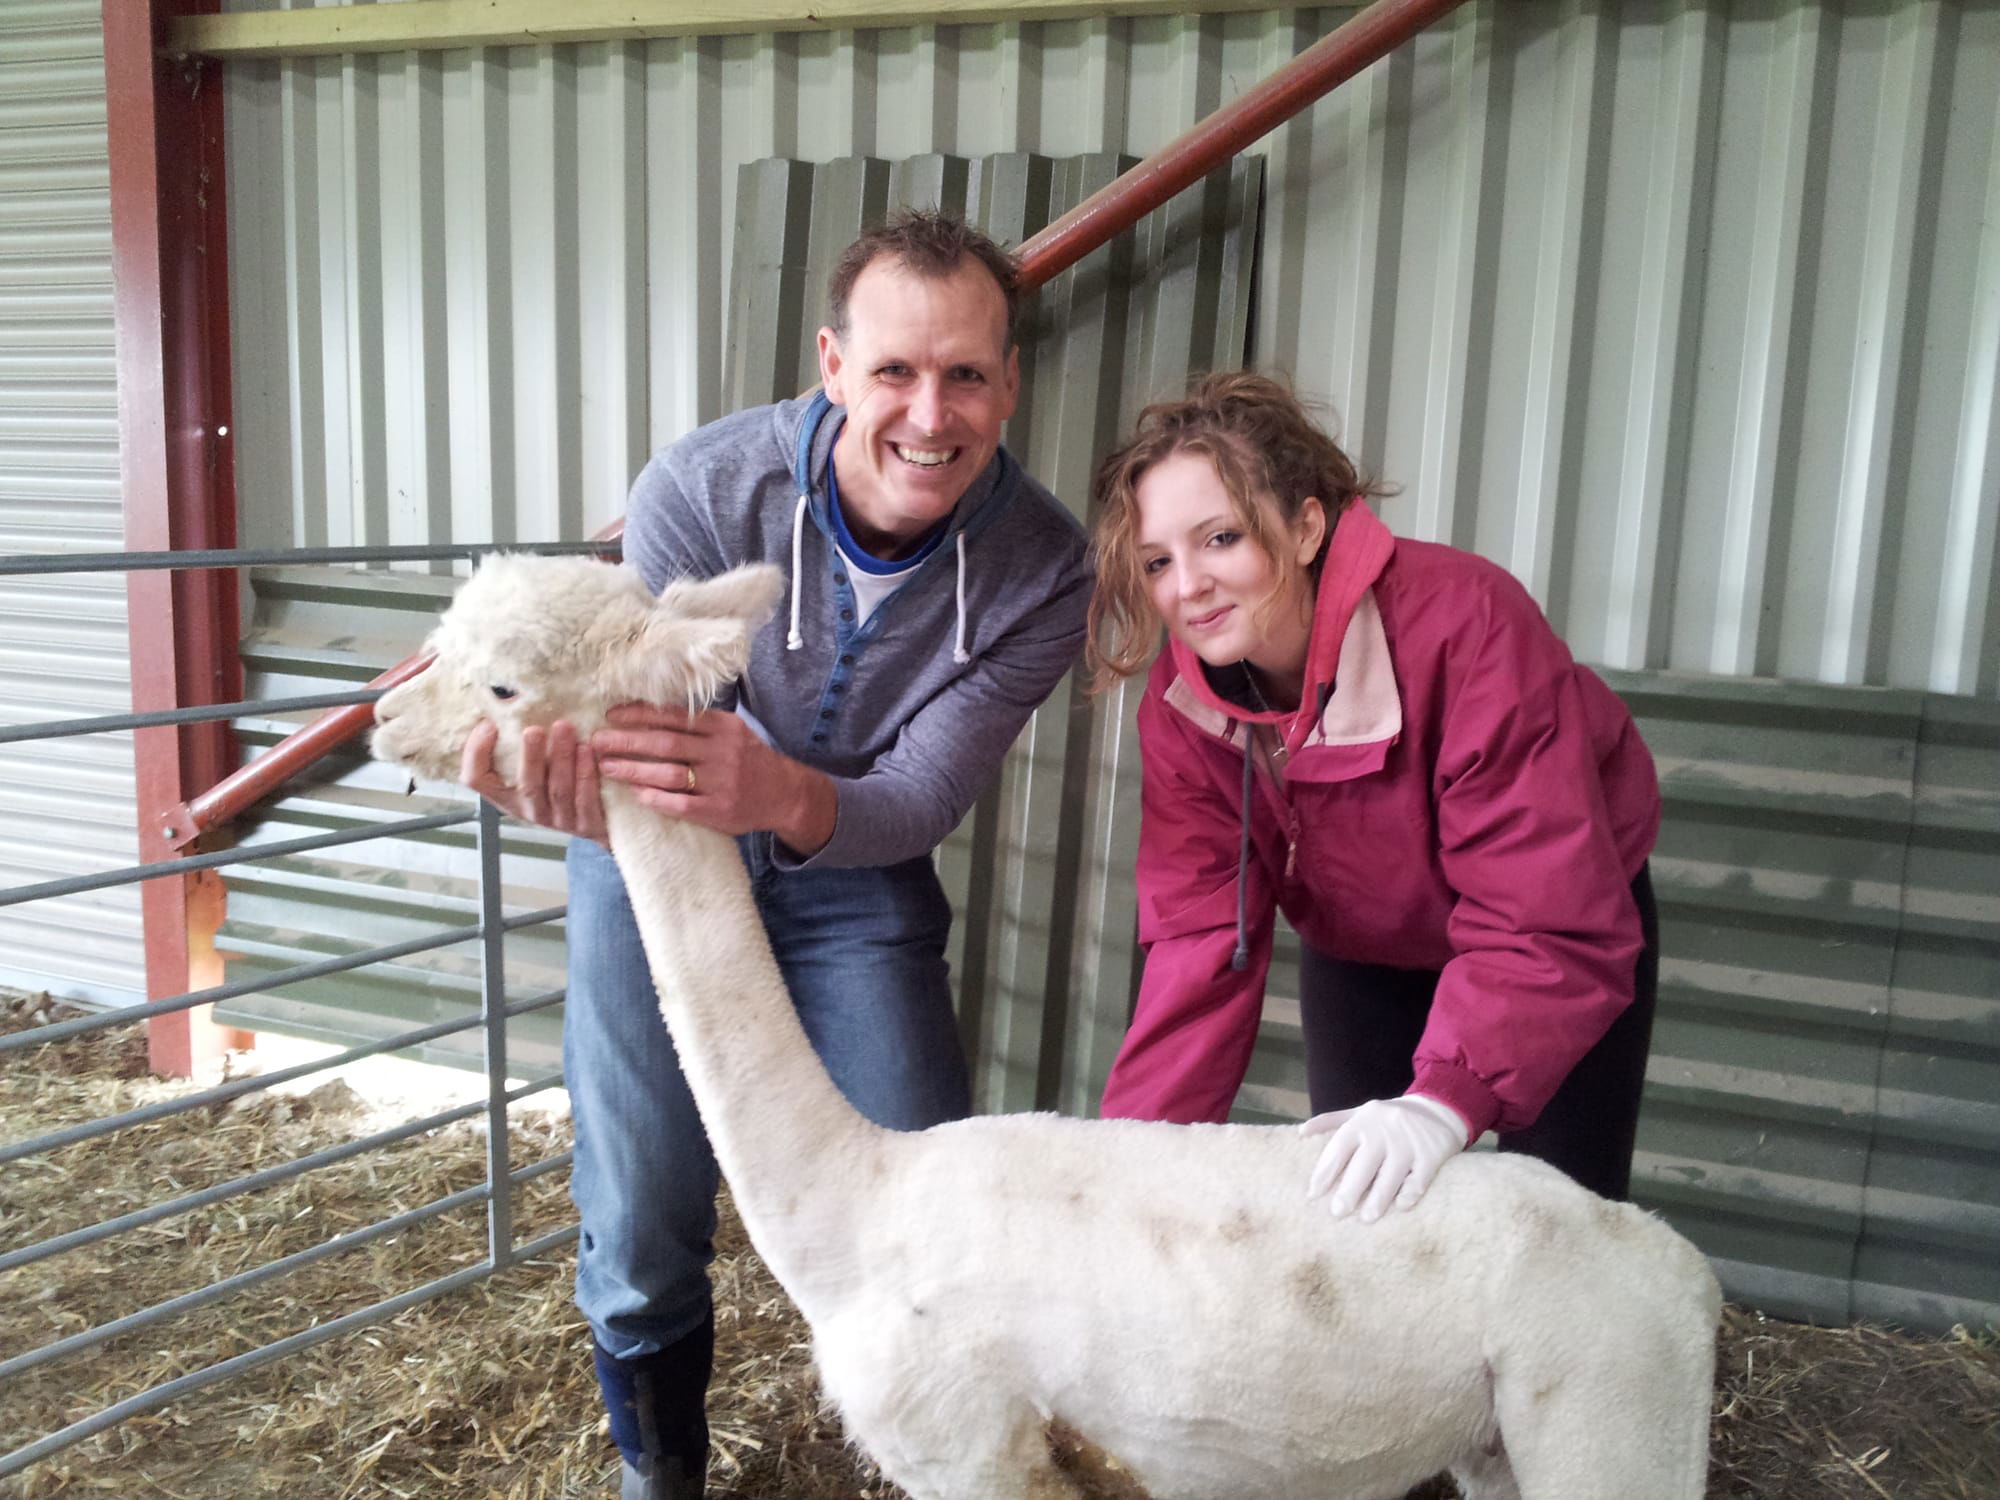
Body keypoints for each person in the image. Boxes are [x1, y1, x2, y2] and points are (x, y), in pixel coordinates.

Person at [461, 211, 1091, 1499]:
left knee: (923, 1189)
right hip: (666, 861)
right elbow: (640, 726)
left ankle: (938, 1461)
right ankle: (662, 1474)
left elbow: (918, 795)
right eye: (895, 372)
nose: (930, 412)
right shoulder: (700, 488)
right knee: (640, 1205)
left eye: (967, 373)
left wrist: (785, 790)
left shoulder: (1043, 568)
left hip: (852, 870)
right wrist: (564, 788)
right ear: (832, 364)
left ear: (1009, 383)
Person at [1086, 370, 1661, 1226]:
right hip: (1364, 943)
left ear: (1308, 523)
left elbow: (1543, 906)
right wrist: (1128, 1164)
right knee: (1364, 1219)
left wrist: (1445, 1101)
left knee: (1560, 1226)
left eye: (1221, 538)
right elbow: (1203, 938)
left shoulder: (1468, 625)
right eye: (1158, 561)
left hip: (1557, 929)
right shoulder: (1186, 699)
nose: (1188, 586)